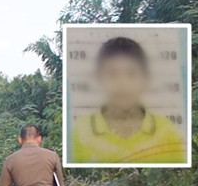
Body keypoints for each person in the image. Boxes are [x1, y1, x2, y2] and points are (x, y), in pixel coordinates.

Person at [70, 37, 185, 165]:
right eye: (112, 74)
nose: (122, 84)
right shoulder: (79, 133)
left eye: (132, 74)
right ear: (98, 79)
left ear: (145, 78)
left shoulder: (167, 133)